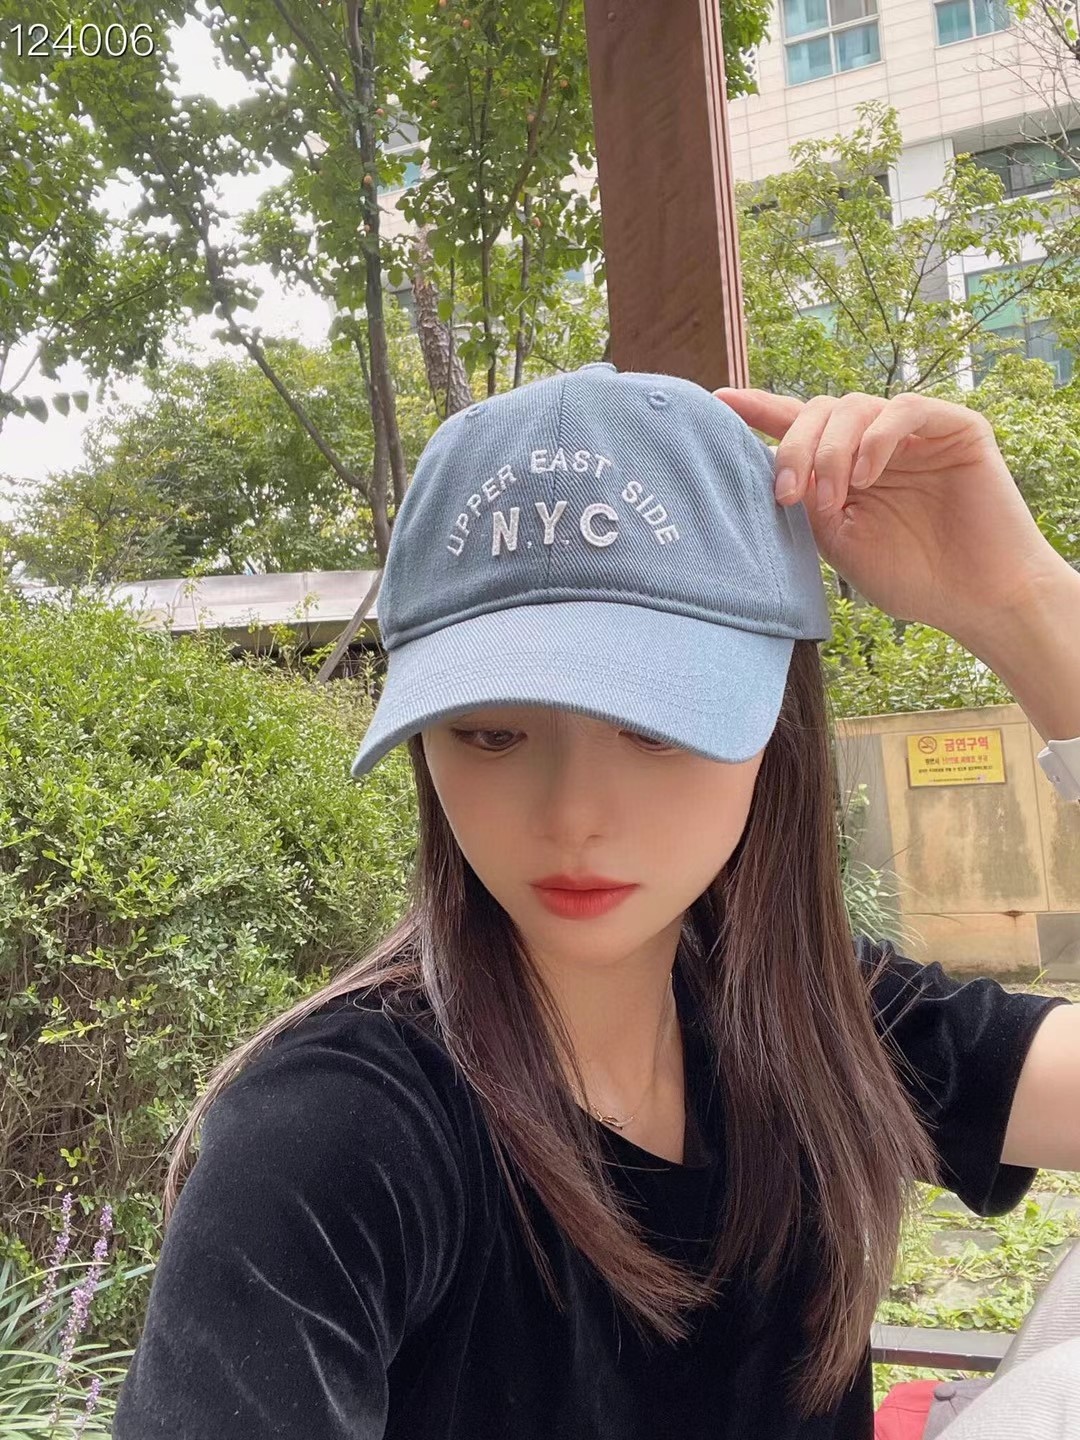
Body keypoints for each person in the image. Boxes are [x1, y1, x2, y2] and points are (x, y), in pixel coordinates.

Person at [112, 363, 1080, 1440]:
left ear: (777, 724)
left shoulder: (819, 1015)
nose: (573, 815)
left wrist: (1029, 605)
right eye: (491, 732)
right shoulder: (335, 1137)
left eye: (655, 727)